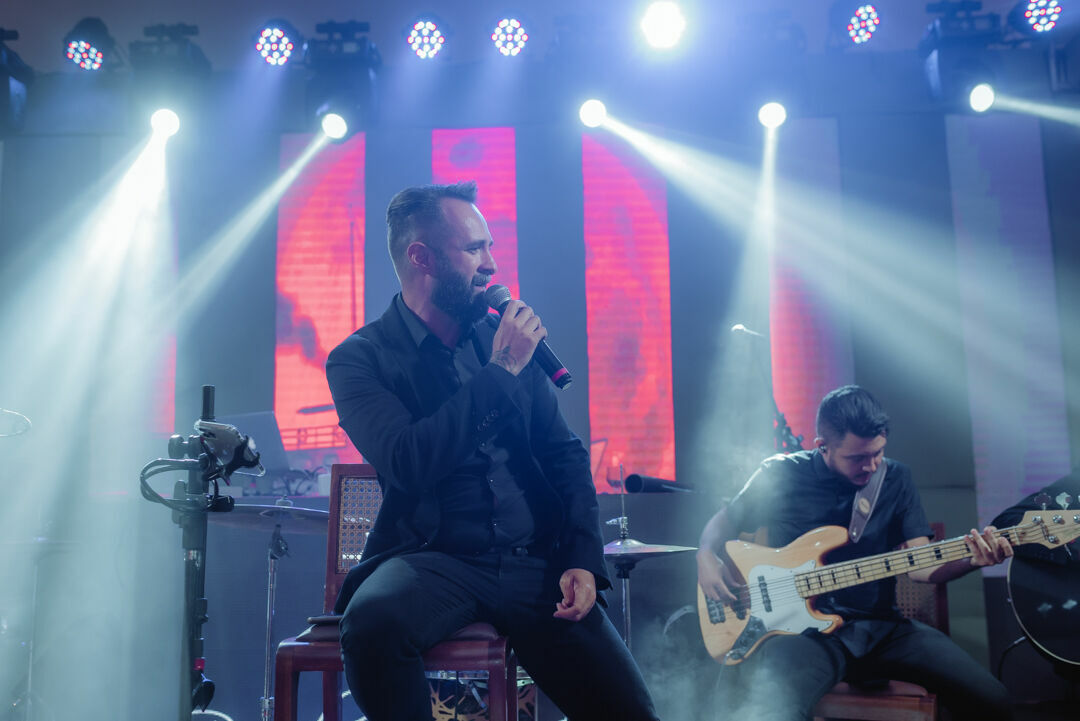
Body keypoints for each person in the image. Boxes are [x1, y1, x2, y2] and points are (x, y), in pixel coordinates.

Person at [326, 181, 660, 721]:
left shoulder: (499, 339)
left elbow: (565, 455)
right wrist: (501, 370)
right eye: (474, 249)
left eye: (490, 246)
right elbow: (410, 462)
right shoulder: (360, 360)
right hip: (434, 559)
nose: (491, 263)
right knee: (372, 623)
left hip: (533, 561)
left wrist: (580, 557)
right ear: (421, 257)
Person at [696, 385, 1014, 720]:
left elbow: (920, 566)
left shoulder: (896, 479)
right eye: (858, 458)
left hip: (883, 629)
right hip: (802, 635)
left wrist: (970, 560)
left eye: (878, 453)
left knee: (994, 701)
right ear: (823, 447)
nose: (872, 466)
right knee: (776, 711)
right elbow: (723, 523)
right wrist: (704, 554)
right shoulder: (780, 474)